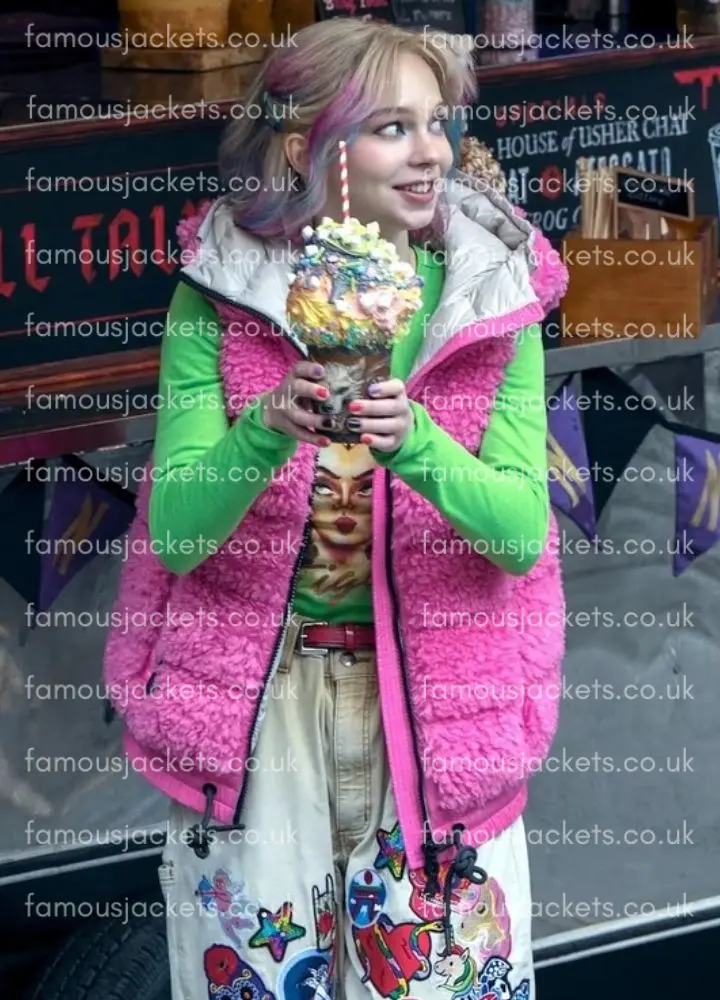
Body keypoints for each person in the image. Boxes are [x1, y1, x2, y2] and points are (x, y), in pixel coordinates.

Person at [103, 17, 568, 1000]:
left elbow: (520, 533)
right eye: (393, 127)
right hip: (262, 714)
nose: (431, 151)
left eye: (436, 122)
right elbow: (178, 535)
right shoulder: (219, 296)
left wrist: (421, 445)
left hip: (439, 721)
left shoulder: (490, 298)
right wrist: (267, 426)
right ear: (302, 148)